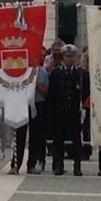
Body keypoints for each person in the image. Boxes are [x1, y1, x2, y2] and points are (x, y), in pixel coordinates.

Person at [48, 44, 89, 176]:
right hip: (60, 111)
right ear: (63, 57)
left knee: (76, 140)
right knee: (58, 140)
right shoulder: (56, 73)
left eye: (71, 56)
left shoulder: (81, 73)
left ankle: (77, 166)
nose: (69, 59)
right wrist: (53, 111)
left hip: (74, 111)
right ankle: (59, 165)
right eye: (67, 56)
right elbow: (52, 93)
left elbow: (85, 90)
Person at [25, 52, 54, 174]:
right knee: (20, 134)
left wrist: (35, 84)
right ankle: (15, 162)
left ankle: (35, 162)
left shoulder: (42, 72)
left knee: (37, 136)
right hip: (24, 104)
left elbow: (46, 91)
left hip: (38, 104)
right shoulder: (25, 71)